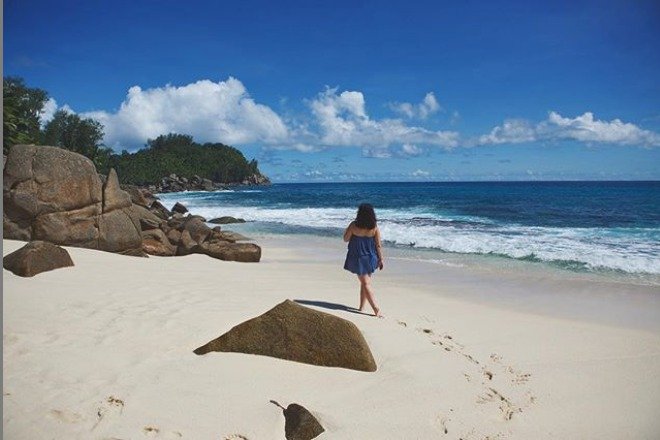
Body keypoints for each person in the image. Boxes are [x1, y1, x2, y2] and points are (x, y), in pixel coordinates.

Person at [343, 203, 384, 317]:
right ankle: (361, 307)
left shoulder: (354, 225)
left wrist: (349, 231)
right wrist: (381, 259)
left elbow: (345, 239)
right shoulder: (374, 226)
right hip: (371, 257)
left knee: (365, 283)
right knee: (365, 282)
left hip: (358, 257)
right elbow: (378, 245)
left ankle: (376, 309)